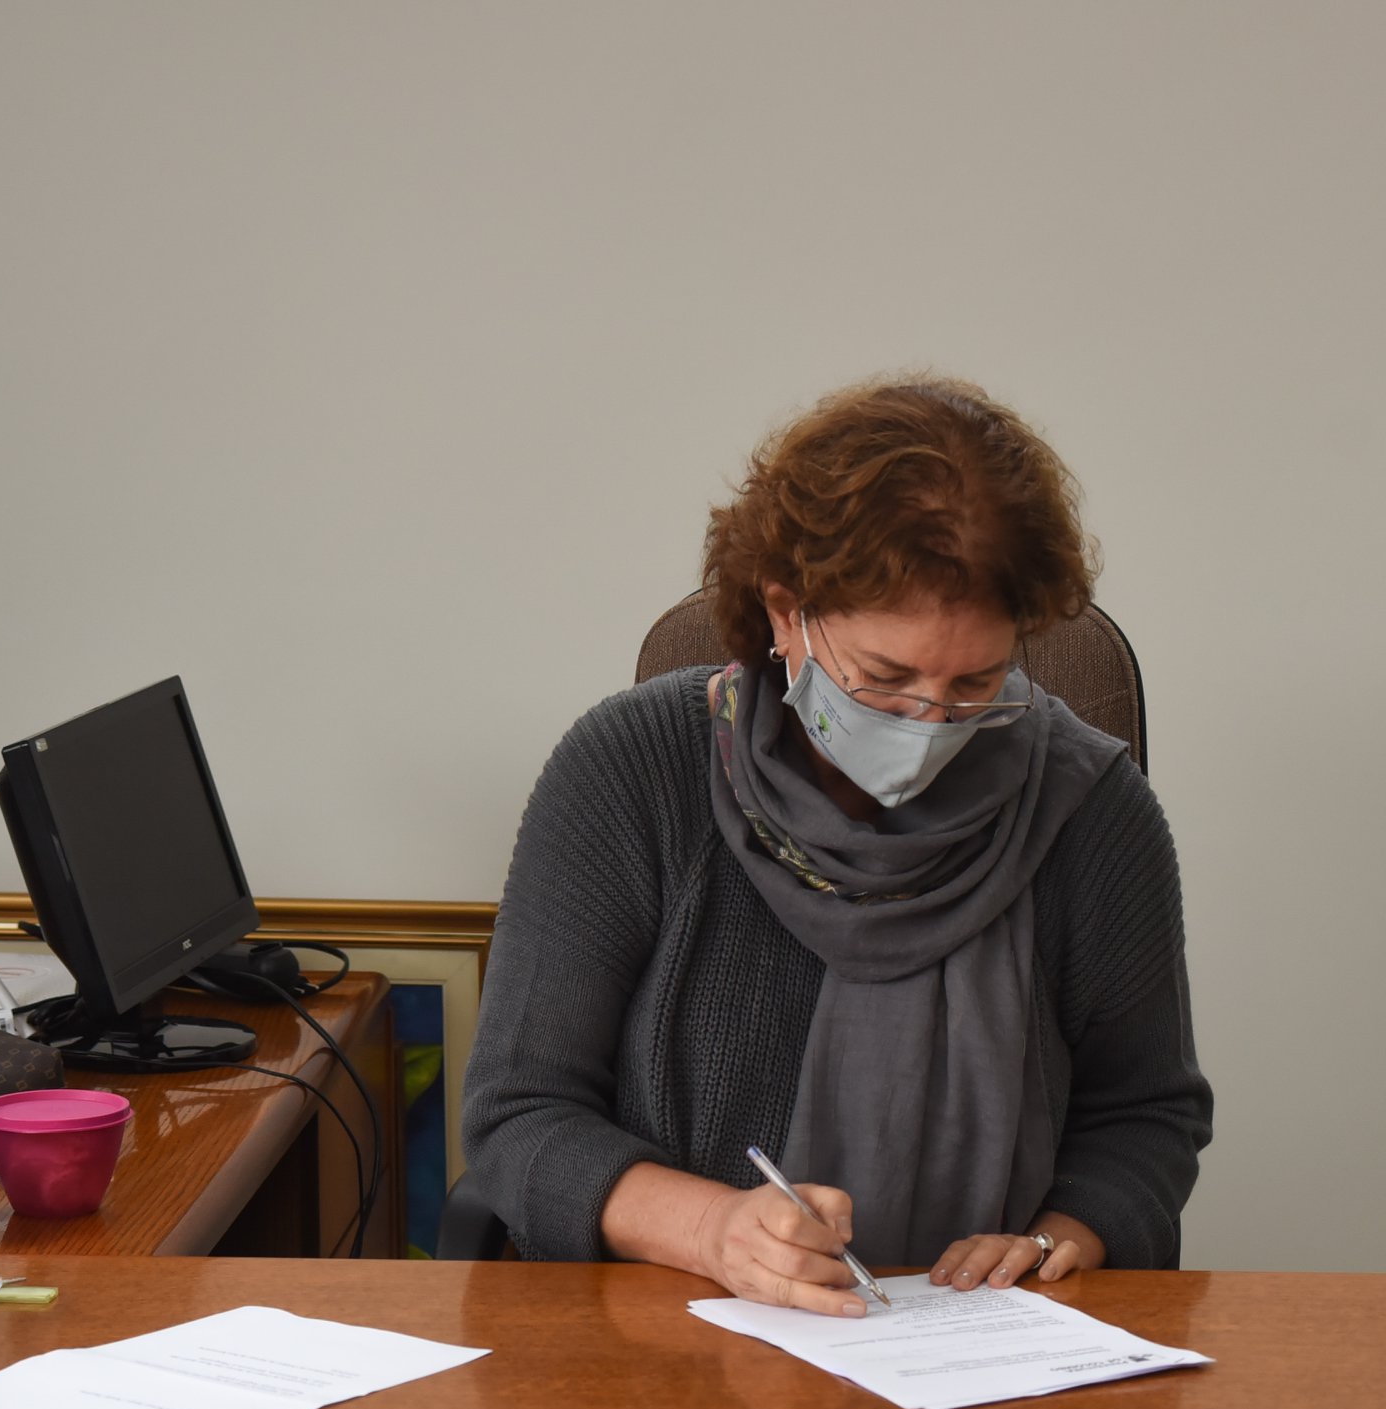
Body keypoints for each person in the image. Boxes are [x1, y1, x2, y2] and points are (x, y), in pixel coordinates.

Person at [462, 376, 1211, 1315]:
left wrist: (1058, 1237)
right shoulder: (629, 770)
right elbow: (520, 1116)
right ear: (787, 612)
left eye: (975, 684)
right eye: (884, 677)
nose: (928, 723)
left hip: (977, 1346)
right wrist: (716, 1232)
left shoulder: (1090, 810)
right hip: (675, 1336)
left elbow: (1146, 1116)